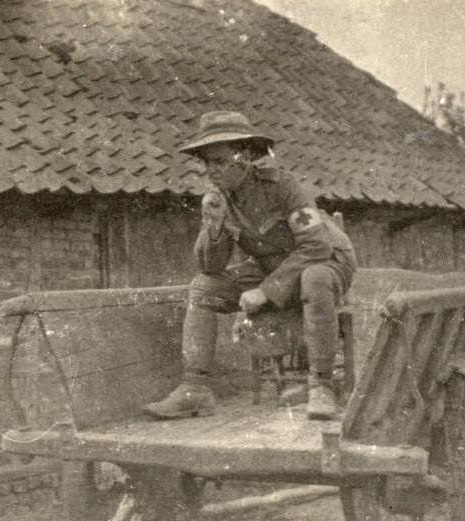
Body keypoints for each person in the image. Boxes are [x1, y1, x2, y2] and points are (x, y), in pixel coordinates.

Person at [144, 111, 357, 421]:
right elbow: (210, 267)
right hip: (274, 267)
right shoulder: (221, 201)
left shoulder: (283, 186)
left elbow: (316, 246)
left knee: (313, 278)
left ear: (243, 157)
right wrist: (214, 226)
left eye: (219, 161)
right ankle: (195, 390)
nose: (210, 171)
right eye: (206, 164)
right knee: (202, 288)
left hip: (326, 261)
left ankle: (321, 387)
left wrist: (266, 292)